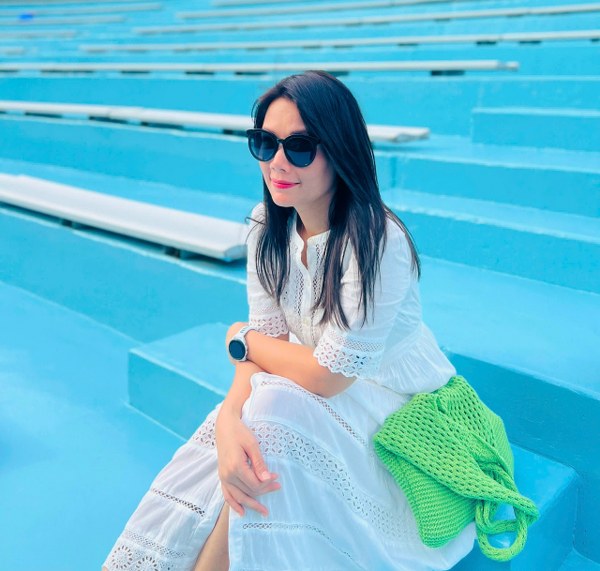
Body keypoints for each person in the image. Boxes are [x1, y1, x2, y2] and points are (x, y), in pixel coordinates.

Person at [103, 70, 476, 571]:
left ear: (340, 151)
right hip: (311, 393)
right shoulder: (266, 229)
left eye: (299, 147)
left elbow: (328, 376)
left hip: (395, 411)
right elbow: (264, 352)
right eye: (264, 143)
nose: (277, 162)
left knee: (274, 410)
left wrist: (241, 338)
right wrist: (229, 423)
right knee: (249, 427)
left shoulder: (377, 241)